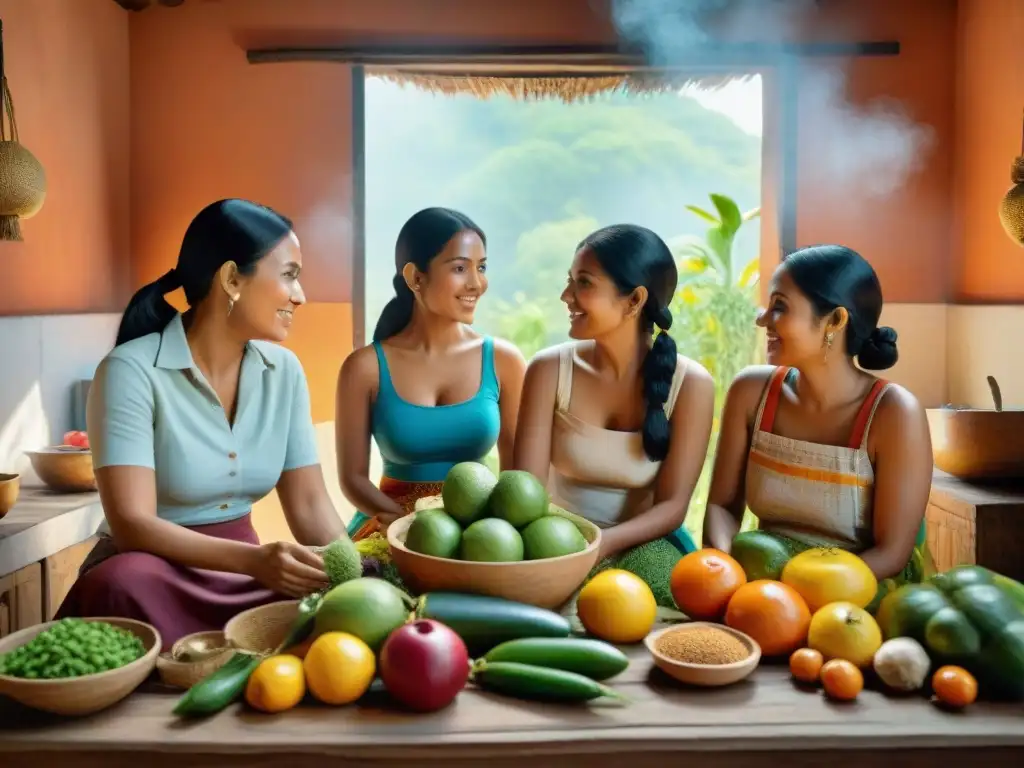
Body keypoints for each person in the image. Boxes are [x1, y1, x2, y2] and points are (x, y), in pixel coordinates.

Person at [57, 199, 346, 650]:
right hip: (154, 571)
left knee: (344, 592)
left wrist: (352, 570)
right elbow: (132, 523)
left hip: (246, 577)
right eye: (289, 274)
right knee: (121, 581)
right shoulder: (129, 371)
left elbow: (309, 506)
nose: (300, 295)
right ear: (232, 279)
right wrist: (254, 561)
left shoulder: (284, 370)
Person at [702, 244, 934, 593]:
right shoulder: (751, 392)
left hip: (859, 597)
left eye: (780, 306)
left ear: (836, 321)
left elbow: (891, 554)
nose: (762, 318)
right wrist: (723, 570)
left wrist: (801, 594)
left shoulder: (893, 413)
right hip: (766, 593)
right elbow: (722, 506)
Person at [513, 224, 715, 607]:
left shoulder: (691, 385)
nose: (566, 296)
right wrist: (571, 549)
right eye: (569, 281)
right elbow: (528, 491)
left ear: (635, 299)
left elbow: (672, 508)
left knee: (652, 607)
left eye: (583, 283)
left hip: (643, 542)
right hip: (555, 536)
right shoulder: (549, 369)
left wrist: (602, 545)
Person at [336, 207, 526, 542]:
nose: (477, 283)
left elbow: (517, 473)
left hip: (478, 534)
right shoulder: (364, 368)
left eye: (481, 268)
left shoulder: (503, 361)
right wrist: (407, 526)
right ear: (415, 278)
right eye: (459, 268)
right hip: (387, 529)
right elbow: (353, 479)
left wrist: (488, 533)